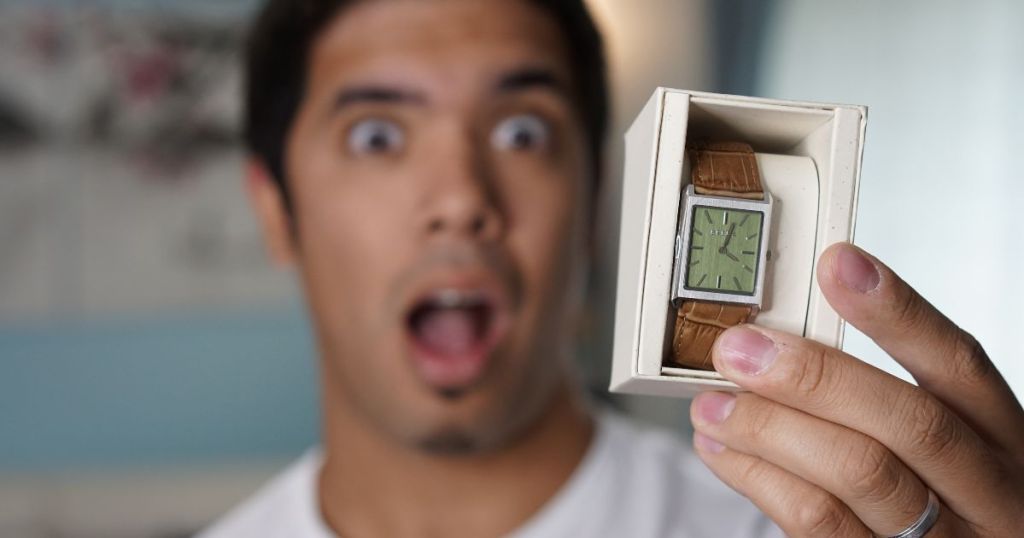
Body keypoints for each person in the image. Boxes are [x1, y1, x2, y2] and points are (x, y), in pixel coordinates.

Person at [201, 0, 1024, 536]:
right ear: (277, 209)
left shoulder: (802, 526)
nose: (459, 198)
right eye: (376, 136)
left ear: (594, 199)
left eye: (522, 132)